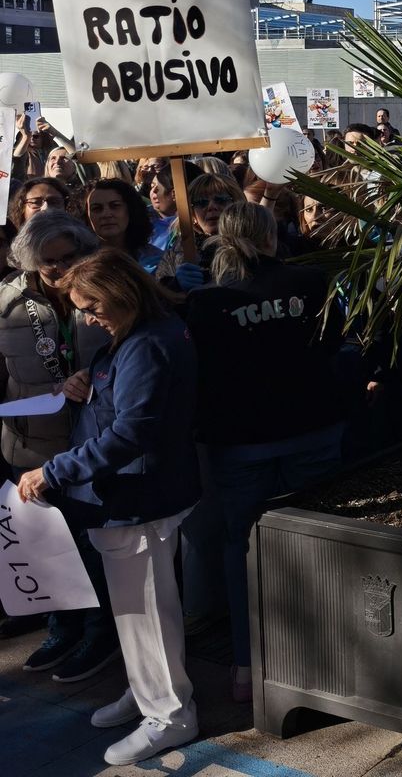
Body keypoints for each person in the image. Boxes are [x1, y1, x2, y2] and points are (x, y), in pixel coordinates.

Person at [16, 250, 203, 765]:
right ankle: (151, 692)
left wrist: (52, 471)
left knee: (145, 611)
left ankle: (168, 712)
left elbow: (132, 430)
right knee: (141, 610)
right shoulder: (146, 333)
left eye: (93, 306)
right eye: (81, 309)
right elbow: (124, 409)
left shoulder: (147, 341)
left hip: (135, 498)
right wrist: (88, 381)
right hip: (132, 496)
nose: (88, 317)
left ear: (123, 291)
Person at [183, 203, 347, 702]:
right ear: (273, 235)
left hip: (241, 440)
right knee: (316, 540)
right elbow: (334, 345)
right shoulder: (312, 282)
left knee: (244, 545)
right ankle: (324, 659)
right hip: (310, 427)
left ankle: (245, 661)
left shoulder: (205, 301)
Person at [0, 212, 112, 667]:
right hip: (30, 444)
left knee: (92, 547)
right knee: (45, 546)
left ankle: (100, 634)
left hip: (92, 444)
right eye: (50, 262)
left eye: (71, 257)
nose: (62, 268)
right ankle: (61, 628)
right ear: (29, 261)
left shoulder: (104, 288)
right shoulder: (7, 301)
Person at [155, 171, 243, 286]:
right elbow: (160, 294)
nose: (212, 207)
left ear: (236, 203)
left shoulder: (254, 241)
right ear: (192, 214)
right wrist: (175, 283)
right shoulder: (180, 250)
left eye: (221, 200)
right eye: (202, 203)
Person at [83, 179, 163, 272]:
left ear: (131, 210)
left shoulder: (156, 260)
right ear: (86, 215)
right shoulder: (78, 259)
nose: (106, 214)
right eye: (97, 208)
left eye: (115, 206)